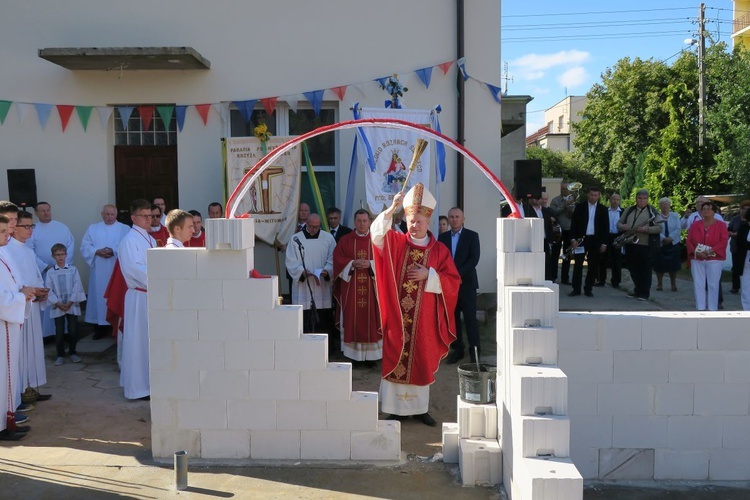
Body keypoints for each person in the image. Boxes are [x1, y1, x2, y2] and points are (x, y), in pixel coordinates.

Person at [371, 183, 460, 427]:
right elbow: (377, 236)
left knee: (421, 356)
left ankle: (420, 409)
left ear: (428, 222)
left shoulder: (440, 250)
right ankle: (395, 409)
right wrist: (391, 210)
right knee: (396, 355)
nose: (414, 225)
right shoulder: (398, 243)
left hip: (425, 318)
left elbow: (453, 281)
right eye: (411, 220)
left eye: (419, 221)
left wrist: (429, 275)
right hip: (399, 316)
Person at [0, 214, 37, 441]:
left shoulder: (2, 252)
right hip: (2, 323)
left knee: (8, 375)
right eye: (3, 232)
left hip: (8, 323)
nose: (8, 235)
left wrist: (23, 292)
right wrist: (19, 296)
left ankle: (6, 420)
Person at [118, 199, 156, 400]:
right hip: (140, 295)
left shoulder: (150, 239)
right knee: (138, 342)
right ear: (134, 218)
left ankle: (148, 383)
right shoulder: (129, 240)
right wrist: (158, 279)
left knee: (147, 341)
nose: (149, 219)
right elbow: (134, 269)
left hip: (149, 295)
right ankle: (137, 387)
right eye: (144, 216)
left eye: (151, 215)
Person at [332, 209, 382, 364]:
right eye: (359, 221)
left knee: (372, 320)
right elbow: (337, 259)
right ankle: (353, 356)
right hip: (351, 288)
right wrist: (351, 263)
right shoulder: (345, 240)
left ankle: (371, 358)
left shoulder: (377, 240)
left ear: (369, 222)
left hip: (372, 289)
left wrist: (371, 264)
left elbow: (386, 261)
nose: (362, 224)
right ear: (354, 222)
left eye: (365, 221)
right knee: (352, 318)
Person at [11, 211, 50, 402]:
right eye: (25, 226)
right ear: (14, 227)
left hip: (32, 305)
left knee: (33, 349)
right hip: (20, 307)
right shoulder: (8, 249)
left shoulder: (27, 249)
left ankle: (31, 387)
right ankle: (20, 392)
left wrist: (41, 290)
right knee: (21, 352)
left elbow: (33, 275)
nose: (29, 230)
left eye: (31, 226)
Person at [80, 204, 130, 339]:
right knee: (99, 297)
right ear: (102, 214)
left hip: (116, 269)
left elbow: (127, 245)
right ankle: (100, 328)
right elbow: (85, 246)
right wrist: (96, 251)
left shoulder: (124, 229)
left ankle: (115, 326)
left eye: (112, 214)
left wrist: (112, 250)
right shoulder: (93, 228)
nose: (109, 217)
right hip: (99, 270)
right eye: (106, 214)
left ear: (116, 215)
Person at [26, 201, 74, 338]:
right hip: (44, 272)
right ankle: (46, 333)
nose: (46, 213)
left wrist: (62, 264)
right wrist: (44, 266)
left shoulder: (62, 227)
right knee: (46, 302)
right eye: (42, 211)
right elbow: (29, 251)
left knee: (60, 298)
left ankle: (63, 333)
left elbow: (71, 246)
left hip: (61, 272)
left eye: (48, 210)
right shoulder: (33, 229)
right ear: (36, 213)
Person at [439, 207, 481, 363]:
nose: (454, 219)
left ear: (463, 219)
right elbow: (440, 260)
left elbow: (474, 259)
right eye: (451, 217)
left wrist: (457, 274)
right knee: (453, 319)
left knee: (471, 319)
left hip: (467, 284)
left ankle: (475, 352)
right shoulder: (442, 238)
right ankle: (458, 350)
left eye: (457, 216)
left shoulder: (472, 236)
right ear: (448, 219)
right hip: (449, 285)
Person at [285, 213, 335, 337]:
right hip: (303, 285)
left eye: (317, 227)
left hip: (322, 284)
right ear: (306, 224)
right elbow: (291, 261)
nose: (314, 229)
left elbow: (333, 258)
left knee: (323, 316)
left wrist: (327, 270)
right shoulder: (296, 239)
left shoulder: (328, 238)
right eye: (311, 226)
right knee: (305, 316)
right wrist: (301, 271)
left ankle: (327, 348)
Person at [45, 243, 86, 366]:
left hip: (71, 305)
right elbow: (48, 289)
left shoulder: (73, 270)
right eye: (57, 255)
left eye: (62, 254)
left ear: (66, 255)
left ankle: (73, 352)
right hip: (58, 306)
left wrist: (70, 302)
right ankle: (60, 354)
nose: (60, 257)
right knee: (59, 331)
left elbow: (77, 286)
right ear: (53, 256)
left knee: (73, 330)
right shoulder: (51, 272)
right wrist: (57, 303)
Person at [618, 189, 662, 301]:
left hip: (645, 245)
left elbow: (659, 228)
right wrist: (622, 227)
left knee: (645, 270)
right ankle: (637, 290)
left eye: (644, 198)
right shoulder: (629, 210)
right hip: (629, 243)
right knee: (632, 268)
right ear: (636, 199)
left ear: (647, 199)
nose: (642, 201)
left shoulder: (652, 211)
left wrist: (646, 229)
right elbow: (619, 223)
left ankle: (644, 293)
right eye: (639, 198)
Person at [686, 202, 728, 311]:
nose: (706, 211)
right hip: (697, 258)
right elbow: (689, 240)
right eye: (704, 209)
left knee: (713, 285)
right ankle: (700, 308)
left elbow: (723, 241)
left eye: (709, 209)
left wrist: (709, 252)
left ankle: (712, 309)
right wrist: (696, 252)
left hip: (714, 259)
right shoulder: (695, 225)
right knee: (698, 284)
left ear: (714, 211)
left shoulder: (721, 225)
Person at [568, 186, 608, 297]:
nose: (593, 197)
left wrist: (604, 243)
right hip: (581, 240)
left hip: (595, 240)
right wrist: (573, 239)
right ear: (588, 194)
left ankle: (588, 288)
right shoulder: (580, 207)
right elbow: (574, 224)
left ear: (599, 196)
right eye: (591, 195)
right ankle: (576, 289)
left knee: (593, 266)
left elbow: (605, 227)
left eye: (596, 195)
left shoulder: (603, 209)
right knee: (578, 265)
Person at [549, 182, 576, 284]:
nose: (565, 190)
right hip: (558, 230)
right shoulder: (555, 200)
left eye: (566, 189)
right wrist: (563, 207)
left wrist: (570, 207)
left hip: (569, 230)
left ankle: (565, 278)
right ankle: (553, 276)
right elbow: (553, 212)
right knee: (555, 254)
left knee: (567, 254)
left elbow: (575, 214)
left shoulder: (573, 200)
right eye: (563, 189)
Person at [523, 196, 554, 281]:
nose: (536, 199)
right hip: (532, 241)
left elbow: (549, 226)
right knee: (534, 262)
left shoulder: (546, 211)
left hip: (544, 240)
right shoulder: (526, 210)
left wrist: (550, 240)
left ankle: (547, 279)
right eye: (534, 197)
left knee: (546, 262)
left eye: (538, 198)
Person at [653, 197, 682, 293]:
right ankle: (659, 284)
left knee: (673, 266)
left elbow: (678, 229)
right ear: (660, 206)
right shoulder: (656, 216)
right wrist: (663, 238)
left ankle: (673, 284)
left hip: (673, 243)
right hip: (661, 244)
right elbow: (655, 229)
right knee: (659, 265)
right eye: (663, 204)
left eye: (667, 204)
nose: (665, 206)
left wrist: (670, 238)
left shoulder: (675, 215)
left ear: (670, 205)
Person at [598, 193, 623, 289]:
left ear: (619, 201)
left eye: (617, 200)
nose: (615, 201)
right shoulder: (604, 211)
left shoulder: (622, 212)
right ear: (610, 200)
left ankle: (616, 282)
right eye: (613, 199)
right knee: (603, 259)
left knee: (616, 260)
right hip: (606, 236)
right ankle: (601, 280)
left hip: (617, 237)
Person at [727, 200, 750, 294]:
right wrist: (734, 234)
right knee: (736, 267)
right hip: (736, 246)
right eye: (744, 208)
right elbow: (728, 230)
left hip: (747, 249)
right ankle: (735, 286)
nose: (745, 211)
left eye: (748, 209)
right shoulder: (735, 219)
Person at [736, 207, 750, 310]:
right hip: (745, 260)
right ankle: (747, 311)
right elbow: (740, 243)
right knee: (746, 286)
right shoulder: (743, 227)